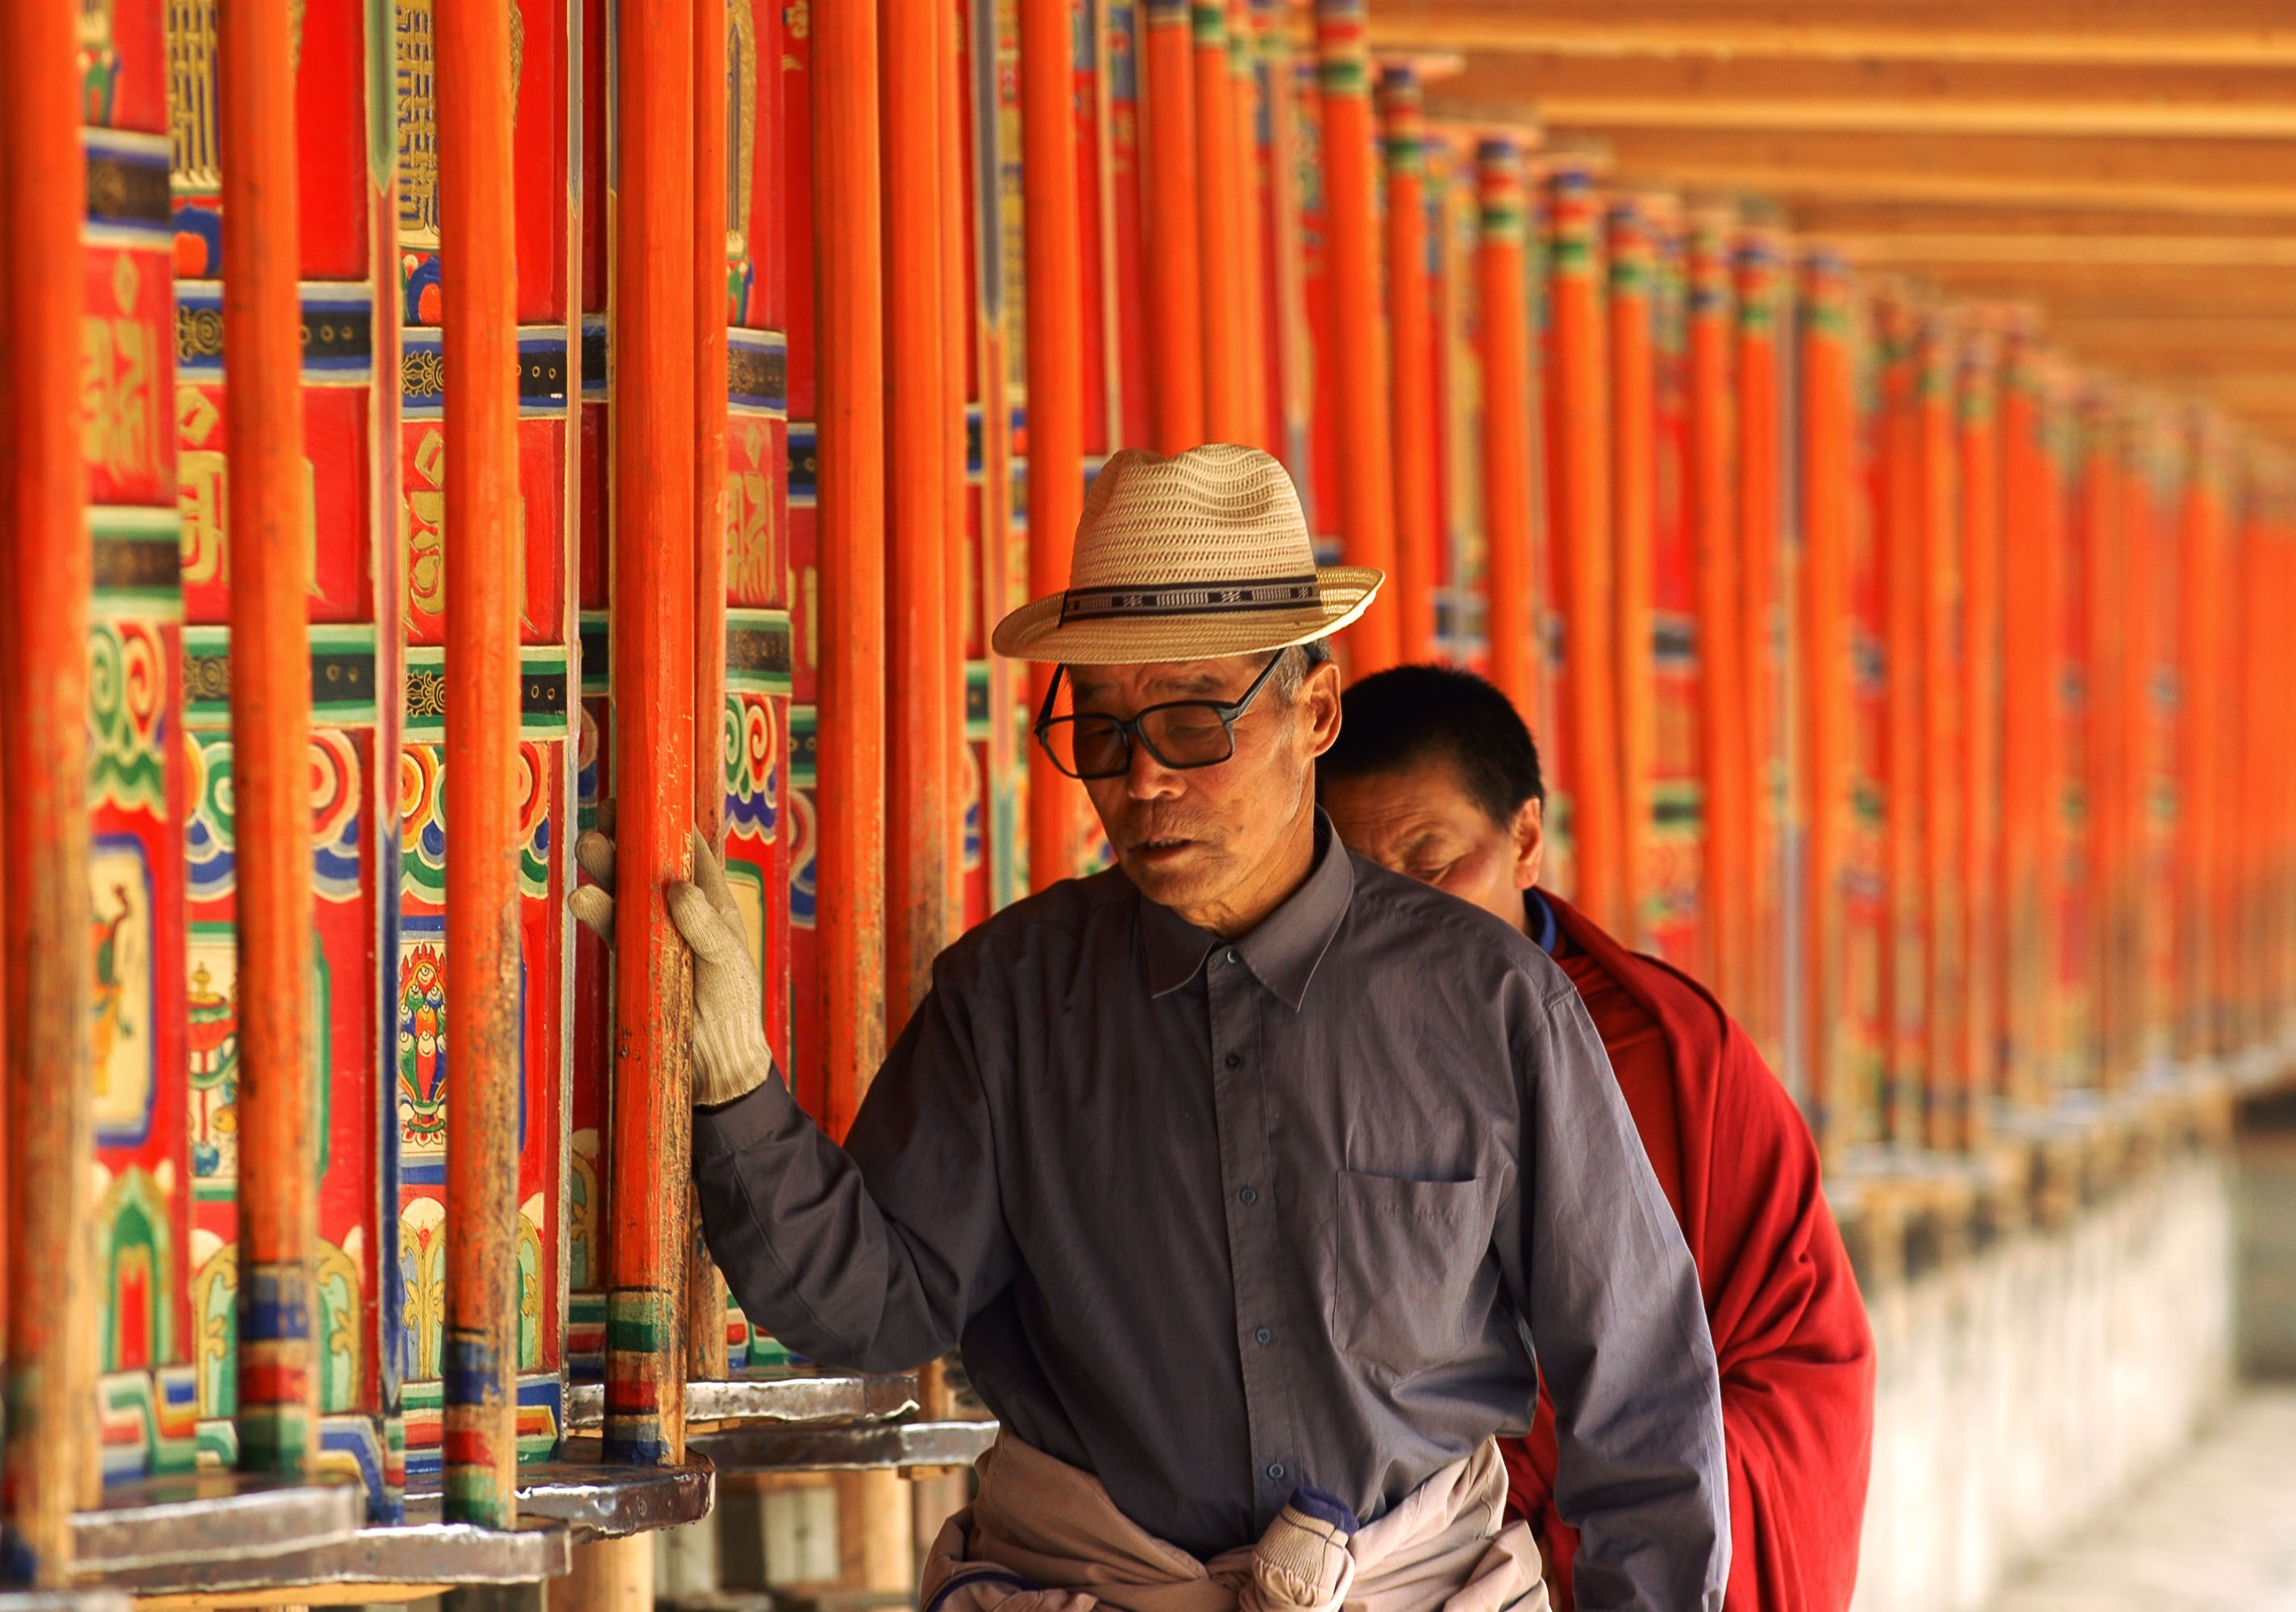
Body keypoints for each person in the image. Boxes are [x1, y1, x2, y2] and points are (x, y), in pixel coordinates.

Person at [572, 445, 1730, 1612]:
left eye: (1190, 723)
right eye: (1105, 733)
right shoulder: (1014, 996)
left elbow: (1639, 1393)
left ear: (1315, 711)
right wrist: (731, 1076)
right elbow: (873, 1307)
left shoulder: (1491, 1003)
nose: (1142, 784)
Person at [1316, 665, 1873, 1612]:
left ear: (1524, 838)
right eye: (1359, 882)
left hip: (1655, 1482)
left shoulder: (1650, 1056)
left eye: (1431, 862)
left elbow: (1714, 1361)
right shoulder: (1304, 1038)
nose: (1395, 918)